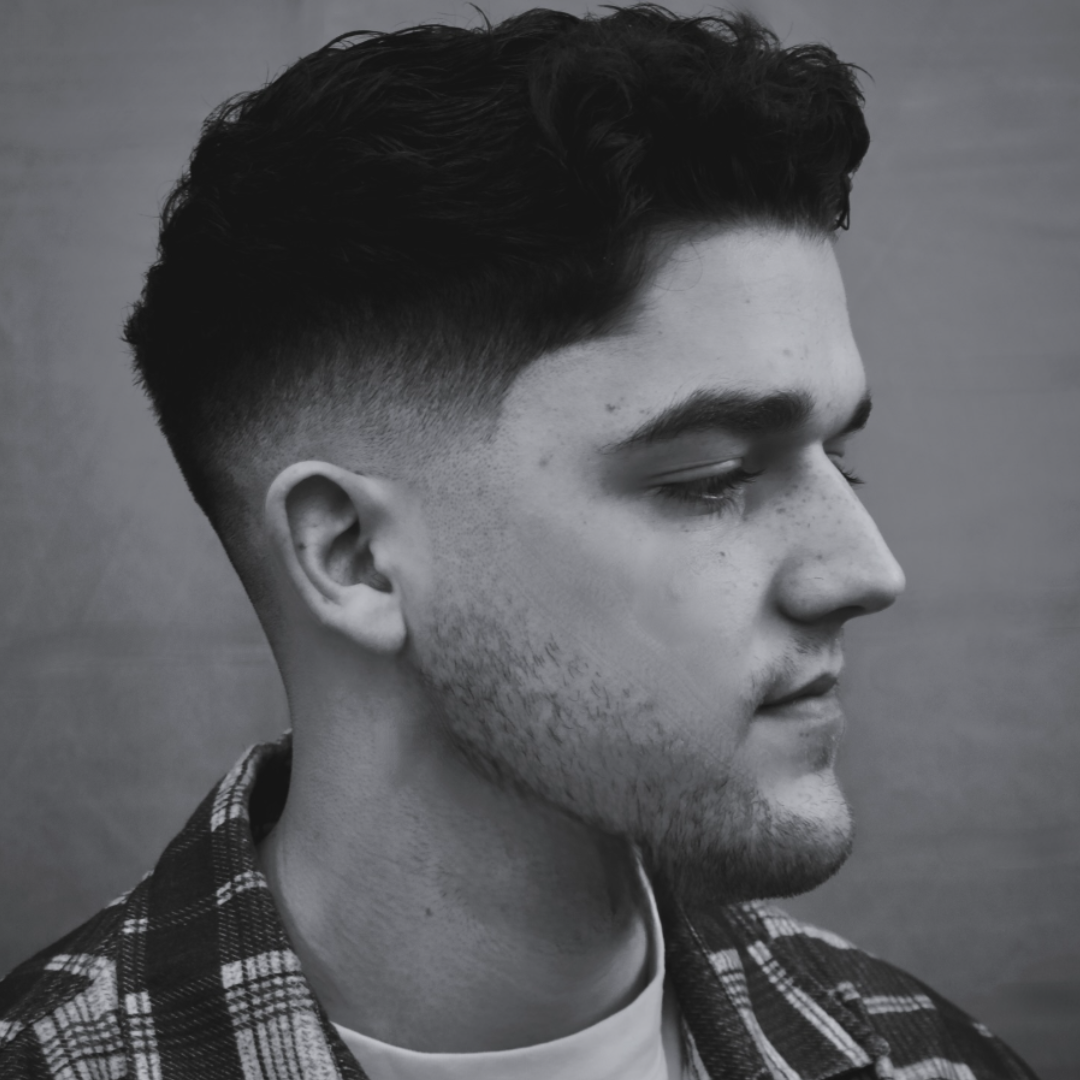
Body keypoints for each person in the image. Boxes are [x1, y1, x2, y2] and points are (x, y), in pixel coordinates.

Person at [0, 6, 1040, 1079]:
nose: (868, 571)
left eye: (840, 461)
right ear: (352, 554)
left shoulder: (933, 1058)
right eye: (712, 478)